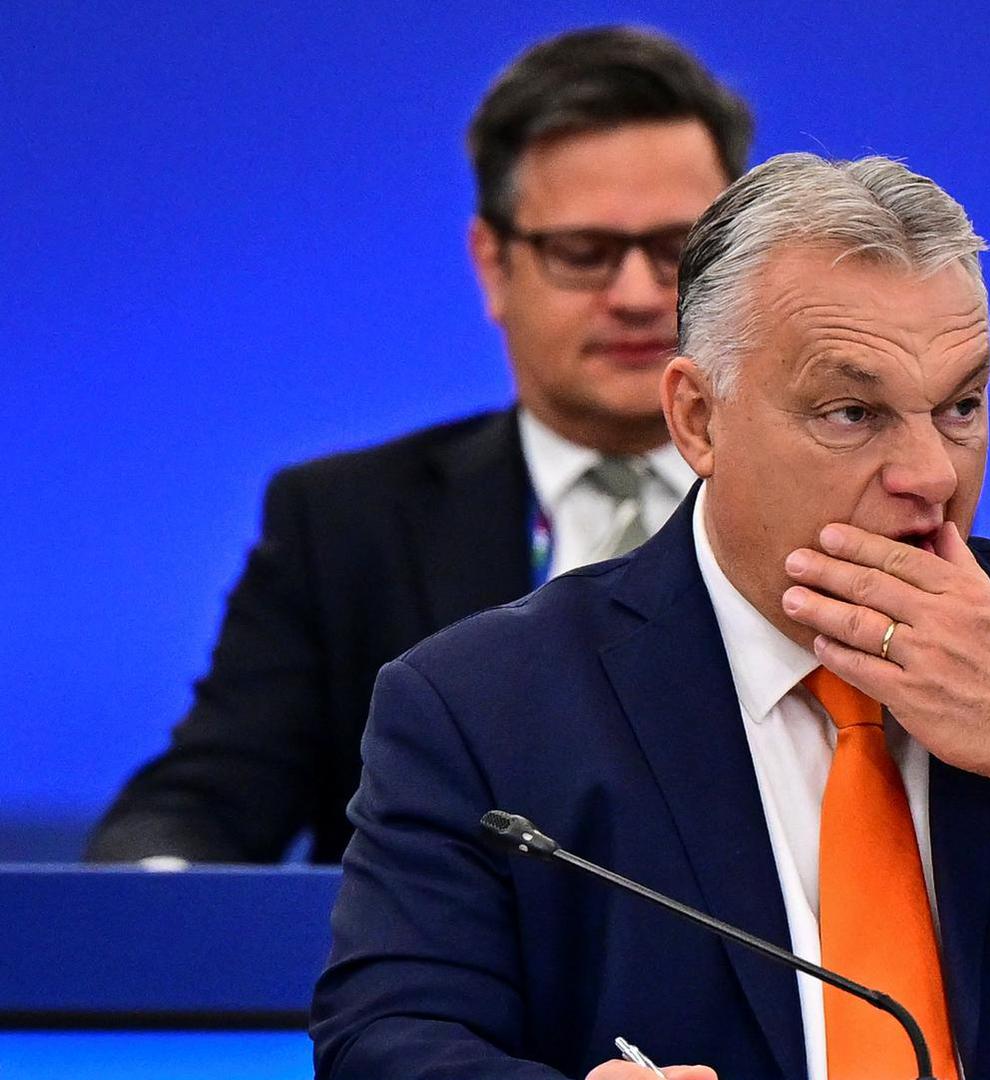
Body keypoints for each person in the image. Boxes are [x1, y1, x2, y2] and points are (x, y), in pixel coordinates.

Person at [310, 153, 990, 1080]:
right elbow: (385, 1037)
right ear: (698, 418)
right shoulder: (484, 709)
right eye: (852, 412)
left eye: (960, 405)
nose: (931, 475)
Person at [84, 27, 754, 864]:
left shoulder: (834, 508)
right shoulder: (344, 526)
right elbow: (208, 800)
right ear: (493, 265)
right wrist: (153, 886)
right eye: (583, 254)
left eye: (677, 251)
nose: (637, 295)